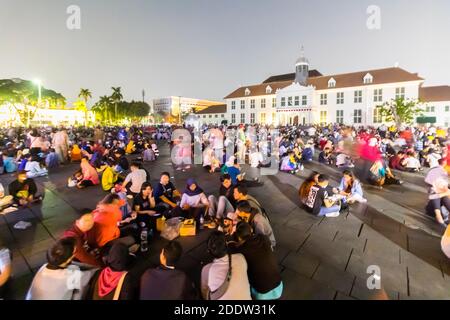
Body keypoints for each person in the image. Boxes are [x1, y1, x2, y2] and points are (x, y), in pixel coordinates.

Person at [26, 238, 96, 300]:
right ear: (69, 259)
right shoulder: (72, 275)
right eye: (74, 252)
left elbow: (73, 265)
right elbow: (94, 272)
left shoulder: (43, 267)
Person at [231, 222, 283, 300]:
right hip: (279, 287)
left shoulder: (241, 251)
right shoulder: (264, 238)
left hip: (262, 294)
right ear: (251, 230)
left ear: (238, 237)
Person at [201, 232, 251, 300]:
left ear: (209, 251)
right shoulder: (240, 257)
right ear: (227, 245)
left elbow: (204, 292)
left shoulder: (207, 270)